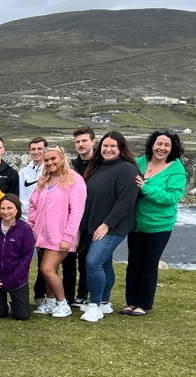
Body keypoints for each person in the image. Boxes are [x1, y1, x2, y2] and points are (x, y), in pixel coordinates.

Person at [123, 130, 187, 316]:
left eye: (167, 145)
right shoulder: (140, 162)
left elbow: (172, 197)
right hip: (136, 223)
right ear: (152, 144)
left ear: (172, 148)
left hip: (159, 225)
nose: (162, 148)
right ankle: (131, 302)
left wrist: (146, 188)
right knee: (133, 263)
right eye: (159, 143)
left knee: (149, 264)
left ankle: (143, 304)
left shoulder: (176, 170)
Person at [79, 131, 140, 322]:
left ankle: (95, 305)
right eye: (105, 145)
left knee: (93, 263)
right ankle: (105, 302)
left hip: (113, 226)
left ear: (121, 148)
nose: (108, 149)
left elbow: (125, 202)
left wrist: (106, 225)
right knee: (104, 263)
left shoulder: (127, 169)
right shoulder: (97, 167)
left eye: (113, 146)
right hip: (94, 223)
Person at [28, 145, 86, 318]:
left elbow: (77, 211)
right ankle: (51, 302)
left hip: (62, 235)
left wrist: (68, 236)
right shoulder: (44, 180)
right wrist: (32, 226)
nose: (50, 163)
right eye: (46, 160)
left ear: (62, 159)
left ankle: (63, 303)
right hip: (42, 234)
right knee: (48, 268)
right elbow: (33, 204)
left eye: (53, 159)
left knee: (47, 268)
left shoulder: (74, 180)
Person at [0, 194, 35, 320]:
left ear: (17, 209)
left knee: (22, 316)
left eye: (9, 208)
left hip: (17, 280)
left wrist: (11, 279)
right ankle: (4, 305)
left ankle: (15, 303)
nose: (5, 212)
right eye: (2, 208)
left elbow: (26, 259)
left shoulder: (25, 229)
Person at [62, 126, 96, 307]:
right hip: (71, 220)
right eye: (77, 142)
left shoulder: (100, 165)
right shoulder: (72, 166)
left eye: (84, 141)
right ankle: (67, 296)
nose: (81, 144)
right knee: (68, 259)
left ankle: (83, 294)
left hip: (92, 219)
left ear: (93, 142)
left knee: (87, 260)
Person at [18, 137, 47, 218]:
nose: (36, 152)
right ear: (29, 151)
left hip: (42, 219)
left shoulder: (50, 172)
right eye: (33, 149)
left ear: (45, 150)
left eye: (39, 149)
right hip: (23, 219)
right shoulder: (23, 172)